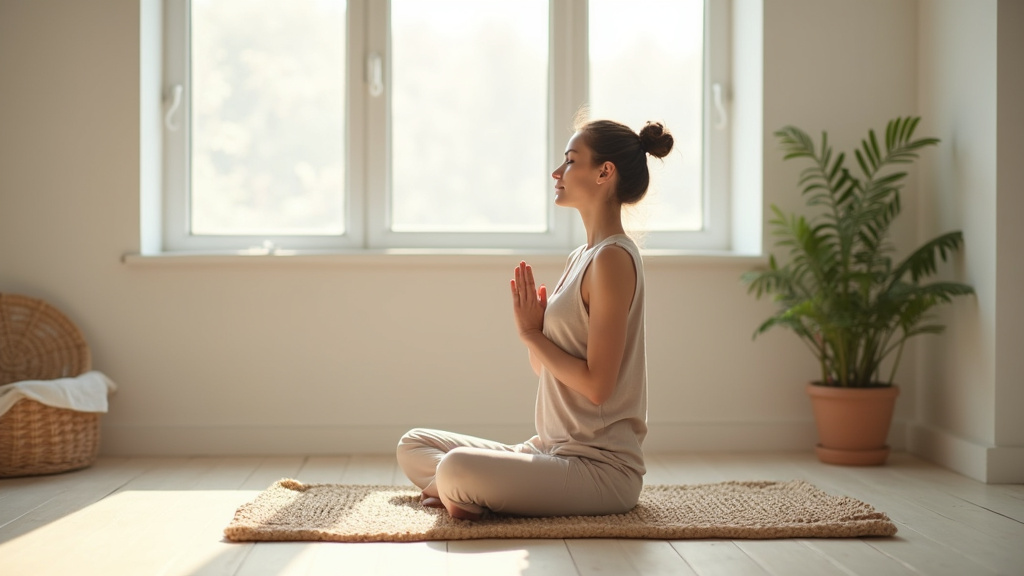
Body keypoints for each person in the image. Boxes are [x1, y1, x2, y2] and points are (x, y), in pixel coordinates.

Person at [396, 117, 674, 520]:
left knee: (457, 467)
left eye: (571, 161)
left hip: (599, 471)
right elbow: (543, 370)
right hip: (547, 450)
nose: (557, 172)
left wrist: (531, 333)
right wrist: (539, 331)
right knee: (414, 444)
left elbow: (598, 387)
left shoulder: (613, 258)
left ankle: (461, 488)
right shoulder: (582, 256)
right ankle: (463, 491)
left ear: (604, 172)